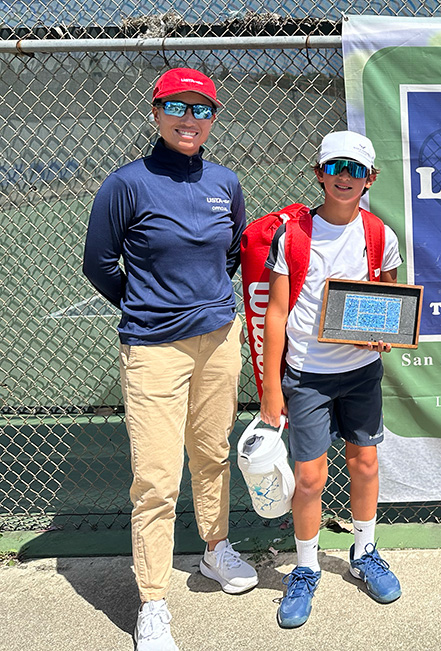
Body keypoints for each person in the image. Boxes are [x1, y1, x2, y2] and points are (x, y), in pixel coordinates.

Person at [83, 68, 257, 651]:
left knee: (211, 454)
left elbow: (231, 253)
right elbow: (101, 264)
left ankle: (214, 549)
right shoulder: (126, 184)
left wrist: (205, 303)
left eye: (202, 108)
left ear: (213, 117)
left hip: (217, 339)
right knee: (156, 479)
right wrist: (150, 307)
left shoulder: (224, 181)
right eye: (177, 107)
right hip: (153, 347)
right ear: (156, 113)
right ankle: (153, 602)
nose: (190, 118)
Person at [260, 130, 404, 628]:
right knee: (309, 477)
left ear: (370, 179)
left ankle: (365, 552)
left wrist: (385, 332)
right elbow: (276, 314)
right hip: (306, 376)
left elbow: (390, 300)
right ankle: (304, 567)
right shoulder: (293, 234)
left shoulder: (380, 234)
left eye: (356, 169)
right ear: (320, 173)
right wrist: (272, 386)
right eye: (336, 167)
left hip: (361, 373)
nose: (346, 177)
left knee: (364, 464)